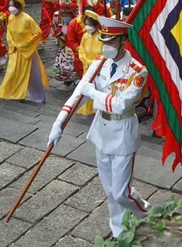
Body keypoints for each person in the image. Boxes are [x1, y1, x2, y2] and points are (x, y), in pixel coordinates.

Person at [47, 15, 151, 239]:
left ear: (124, 41)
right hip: (101, 130)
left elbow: (122, 104)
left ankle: (144, 211)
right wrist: (59, 124)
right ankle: (119, 229)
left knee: (122, 192)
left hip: (123, 132)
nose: (107, 47)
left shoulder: (137, 71)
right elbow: (78, 95)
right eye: (104, 41)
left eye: (111, 42)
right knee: (110, 191)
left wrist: (92, 92)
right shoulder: (99, 64)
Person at [0, 0, 48, 102]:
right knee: (12, 73)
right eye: (9, 5)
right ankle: (13, 94)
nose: (11, 8)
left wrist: (26, 45)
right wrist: (12, 43)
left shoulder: (27, 19)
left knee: (33, 76)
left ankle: (38, 97)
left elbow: (37, 33)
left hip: (27, 51)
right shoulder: (10, 18)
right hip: (15, 50)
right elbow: (9, 32)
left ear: (19, 6)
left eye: (13, 6)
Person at [75, 9, 103, 120]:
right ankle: (87, 107)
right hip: (87, 66)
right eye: (86, 24)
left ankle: (96, 108)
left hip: (97, 68)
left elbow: (103, 53)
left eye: (90, 25)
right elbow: (81, 49)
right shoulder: (85, 36)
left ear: (96, 25)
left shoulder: (101, 37)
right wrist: (85, 60)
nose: (87, 27)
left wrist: (94, 62)